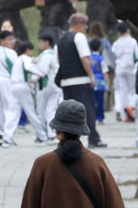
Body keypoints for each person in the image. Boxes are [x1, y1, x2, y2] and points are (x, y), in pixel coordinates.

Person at [55, 13, 104, 148]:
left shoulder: (61, 39)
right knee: (87, 110)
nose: (85, 28)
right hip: (80, 80)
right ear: (79, 25)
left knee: (69, 111)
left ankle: (68, 139)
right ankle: (93, 138)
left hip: (66, 81)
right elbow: (84, 59)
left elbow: (59, 60)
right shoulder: (79, 37)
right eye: (85, 25)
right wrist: (91, 76)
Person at [0, 30, 26, 146]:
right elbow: (14, 69)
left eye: (13, 39)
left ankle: (1, 132)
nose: (12, 42)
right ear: (2, 41)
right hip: (7, 81)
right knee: (12, 108)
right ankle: (7, 136)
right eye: (9, 39)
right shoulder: (10, 53)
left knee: (1, 109)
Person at [31, 31, 62, 139]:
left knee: (41, 111)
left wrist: (33, 80)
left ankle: (42, 134)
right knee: (51, 110)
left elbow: (42, 72)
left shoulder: (46, 56)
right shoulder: (53, 54)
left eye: (40, 42)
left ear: (46, 42)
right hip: (55, 85)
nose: (39, 44)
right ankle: (52, 133)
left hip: (44, 85)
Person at [109, 22, 138, 124]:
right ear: (128, 30)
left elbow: (112, 56)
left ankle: (125, 115)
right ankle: (131, 107)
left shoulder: (116, 43)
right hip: (131, 68)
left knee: (123, 92)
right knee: (134, 91)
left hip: (119, 69)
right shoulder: (133, 42)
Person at [86, 20, 109, 122]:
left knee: (91, 100)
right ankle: (100, 117)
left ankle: (91, 116)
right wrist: (108, 82)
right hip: (100, 80)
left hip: (90, 79)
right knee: (100, 100)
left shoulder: (88, 42)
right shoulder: (105, 41)